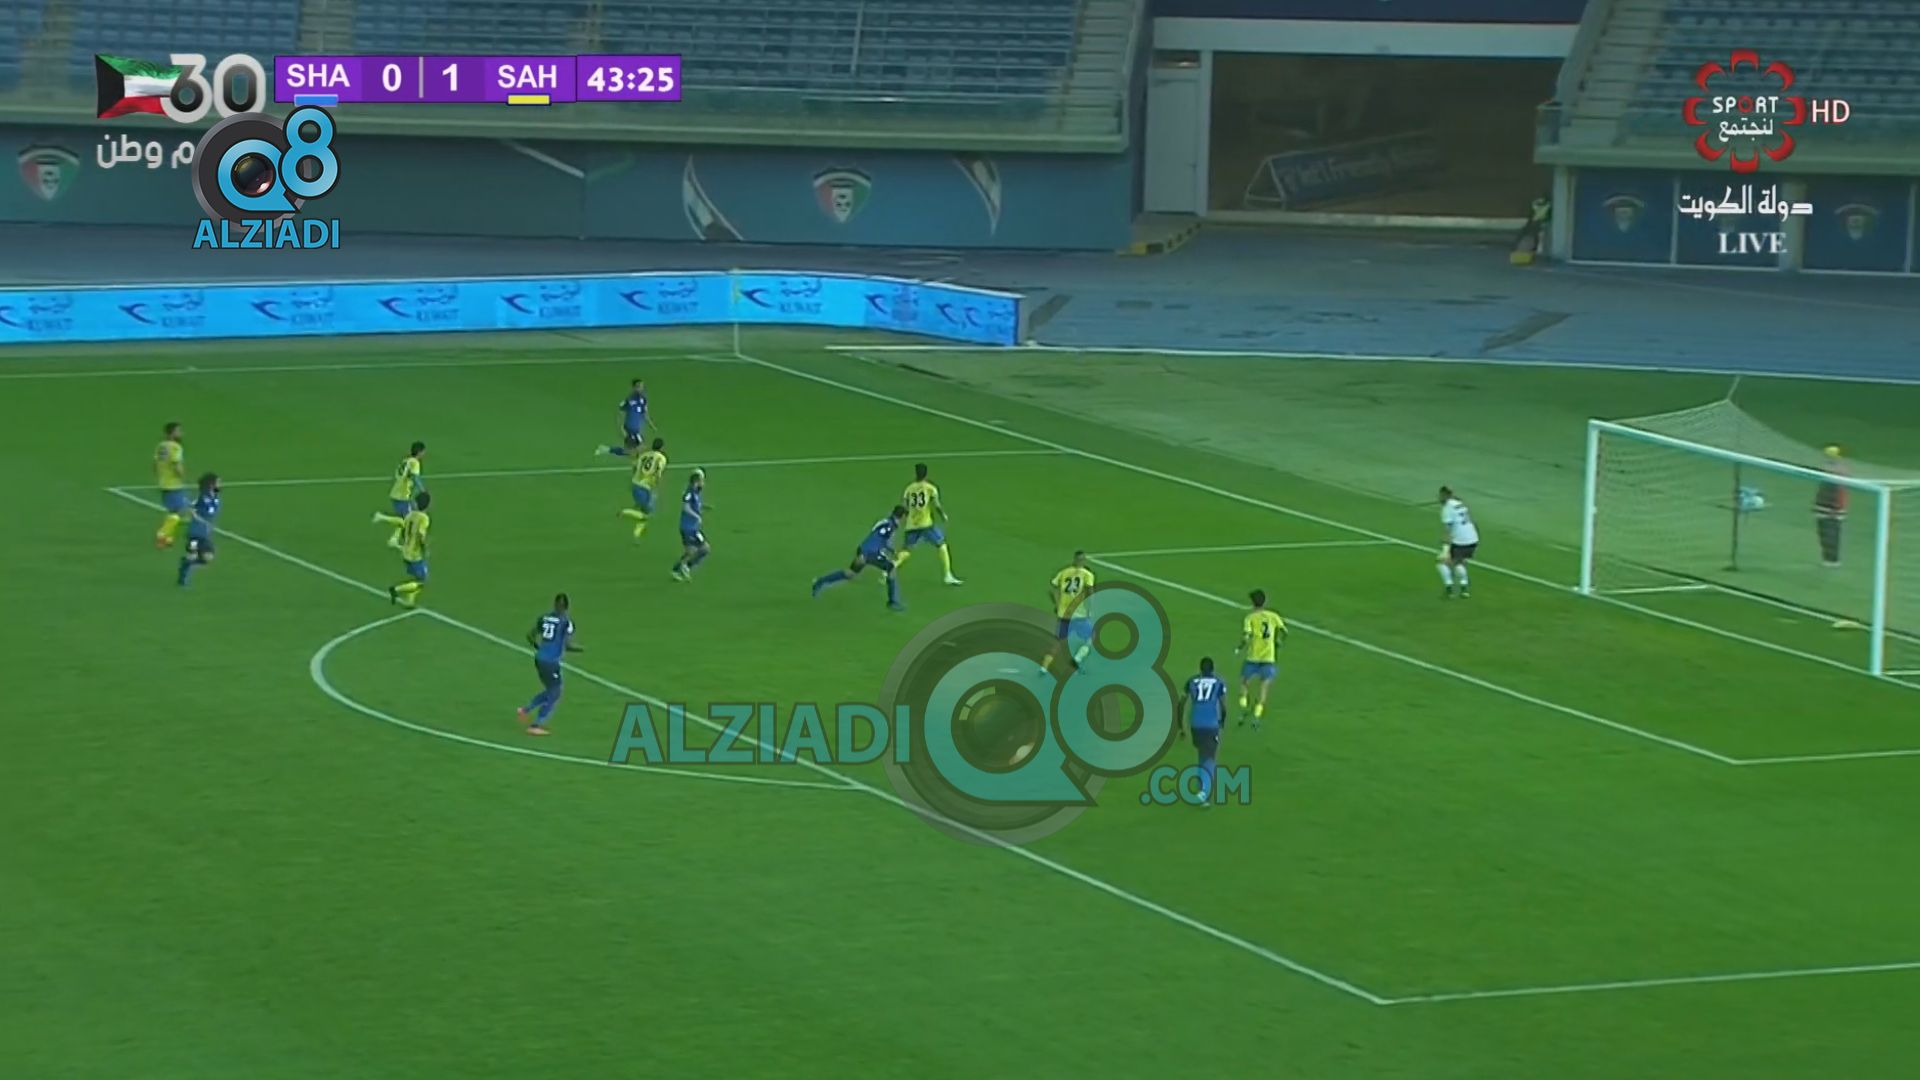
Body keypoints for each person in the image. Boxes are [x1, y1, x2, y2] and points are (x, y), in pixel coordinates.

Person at [811, 506, 909, 611]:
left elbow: (878, 537)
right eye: (905, 517)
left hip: (865, 550)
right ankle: (893, 602)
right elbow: (880, 539)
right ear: (902, 516)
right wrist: (892, 552)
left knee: (851, 573)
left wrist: (891, 551)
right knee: (891, 568)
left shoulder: (886, 522)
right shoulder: (890, 526)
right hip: (871, 553)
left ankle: (819, 582)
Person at [519, 593, 582, 736]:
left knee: (551, 690)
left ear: (555, 604)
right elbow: (568, 645)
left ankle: (525, 710)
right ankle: (535, 725)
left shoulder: (544, 618)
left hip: (539, 659)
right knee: (555, 692)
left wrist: (539, 648)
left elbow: (530, 636)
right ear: (567, 607)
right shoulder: (566, 622)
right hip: (551, 662)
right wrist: (579, 649)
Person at [1177, 657, 1228, 806]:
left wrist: (1181, 727)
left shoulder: (1191, 681)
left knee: (1202, 754)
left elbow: (1181, 704)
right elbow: (1223, 705)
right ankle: (1204, 792)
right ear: (1212, 669)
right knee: (1210, 757)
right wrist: (1222, 721)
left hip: (1195, 725)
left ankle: (1201, 790)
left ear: (1200, 668)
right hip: (1211, 725)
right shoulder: (1219, 682)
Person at [902, 463, 962, 585]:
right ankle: (947, 575)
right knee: (942, 545)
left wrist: (907, 518)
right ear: (926, 474)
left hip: (911, 524)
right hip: (926, 525)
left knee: (906, 551)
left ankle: (888, 570)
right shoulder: (930, 488)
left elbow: (905, 506)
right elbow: (937, 505)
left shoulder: (909, 488)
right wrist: (943, 515)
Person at [1237, 589, 1287, 728]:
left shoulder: (1250, 618)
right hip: (1268, 658)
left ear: (1252, 603)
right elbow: (1284, 631)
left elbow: (1246, 637)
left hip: (1253, 657)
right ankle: (1257, 717)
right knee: (1263, 688)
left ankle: (1243, 708)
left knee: (1244, 682)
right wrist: (1279, 641)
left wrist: (1239, 647)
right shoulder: (1273, 616)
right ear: (1265, 601)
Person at [601, 435, 667, 539]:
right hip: (644, 488)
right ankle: (624, 512)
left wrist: (634, 480)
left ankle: (636, 535)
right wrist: (657, 488)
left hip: (637, 485)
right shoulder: (661, 458)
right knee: (647, 514)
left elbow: (635, 466)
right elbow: (658, 474)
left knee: (645, 512)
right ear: (662, 447)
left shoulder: (644, 455)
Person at [1043, 551, 1096, 672]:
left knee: (1059, 640)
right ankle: (1077, 658)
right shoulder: (1087, 574)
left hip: (1063, 614)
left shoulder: (1064, 572)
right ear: (1083, 560)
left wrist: (1057, 604)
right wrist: (1090, 610)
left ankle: (1044, 667)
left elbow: (1052, 589)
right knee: (1091, 636)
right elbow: (1090, 592)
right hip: (1079, 614)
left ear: (1074, 559)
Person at [372, 442, 427, 549]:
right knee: (406, 520)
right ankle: (381, 517)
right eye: (423, 452)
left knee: (404, 518)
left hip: (396, 491)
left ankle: (394, 539)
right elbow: (415, 478)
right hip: (402, 495)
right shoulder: (415, 463)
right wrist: (423, 491)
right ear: (419, 452)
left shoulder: (406, 460)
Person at [176, 472, 220, 586]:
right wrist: (197, 517)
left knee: (208, 557)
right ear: (211, 484)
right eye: (217, 482)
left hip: (204, 534)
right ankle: (182, 577)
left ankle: (185, 563)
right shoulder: (202, 497)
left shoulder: (215, 497)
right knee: (193, 556)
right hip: (194, 533)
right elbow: (190, 508)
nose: (219, 484)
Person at [389, 491, 431, 607]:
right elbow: (421, 536)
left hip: (405, 551)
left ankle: (409, 601)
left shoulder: (409, 515)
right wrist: (425, 549)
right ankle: (396, 589)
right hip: (415, 555)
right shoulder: (424, 518)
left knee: (415, 578)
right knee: (421, 581)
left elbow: (403, 531)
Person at [1438, 485, 1479, 599]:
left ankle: (1449, 590)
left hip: (1461, 540)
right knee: (1459, 563)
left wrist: (1445, 550)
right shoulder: (1459, 503)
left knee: (1442, 563)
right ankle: (1464, 589)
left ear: (1444, 495)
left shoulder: (1446, 509)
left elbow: (1448, 531)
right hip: (1473, 538)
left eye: (1440, 496)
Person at [671, 469, 710, 581]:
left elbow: (695, 505)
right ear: (697, 481)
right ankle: (687, 567)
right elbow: (686, 507)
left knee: (690, 551)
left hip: (689, 527)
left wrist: (704, 507)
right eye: (702, 480)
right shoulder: (689, 492)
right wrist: (697, 516)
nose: (703, 483)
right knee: (705, 549)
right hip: (689, 528)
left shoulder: (695, 492)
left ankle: (676, 570)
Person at [154, 421, 188, 548]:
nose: (181, 433)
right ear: (172, 433)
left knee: (172, 511)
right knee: (178, 511)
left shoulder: (161, 446)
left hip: (163, 482)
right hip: (173, 484)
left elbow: (155, 464)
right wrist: (181, 475)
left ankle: (168, 538)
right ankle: (162, 535)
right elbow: (176, 464)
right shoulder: (175, 447)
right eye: (178, 431)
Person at [1815, 445, 1848, 568]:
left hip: (1833, 509)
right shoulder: (1828, 469)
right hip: (1823, 506)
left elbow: (1839, 493)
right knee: (1823, 533)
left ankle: (1832, 560)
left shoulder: (1839, 472)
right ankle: (1827, 558)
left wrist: (1836, 508)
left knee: (1831, 533)